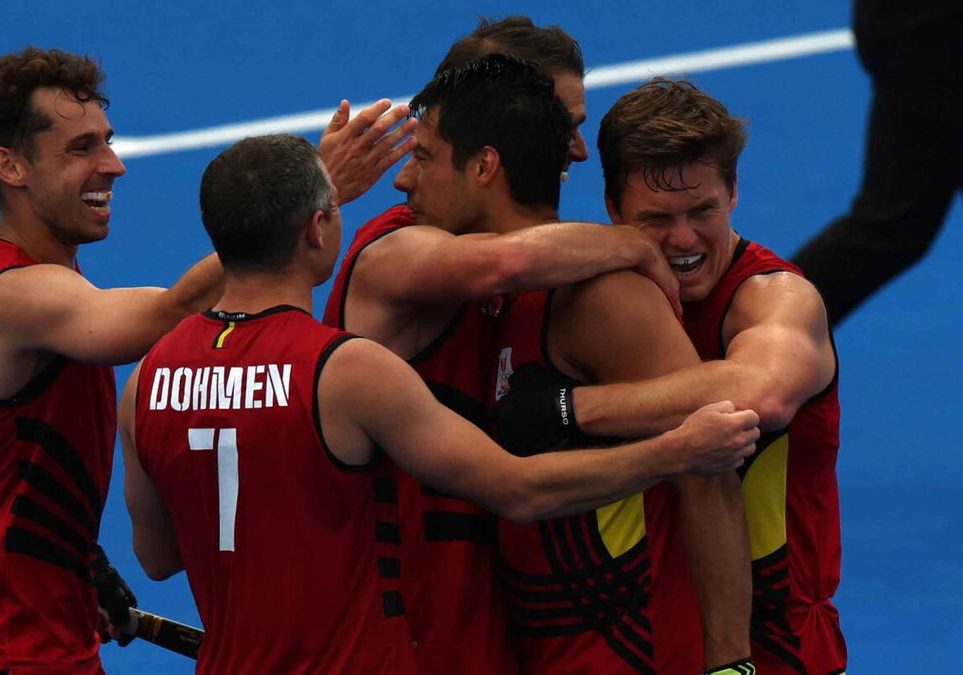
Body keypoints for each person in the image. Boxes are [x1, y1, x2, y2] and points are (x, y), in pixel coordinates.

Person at [118, 132, 759, 674]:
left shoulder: (146, 381)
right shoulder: (344, 369)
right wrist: (676, 450)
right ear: (319, 230)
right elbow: (519, 489)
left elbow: (158, 557)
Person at [319, 22, 686, 673]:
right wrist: (633, 244)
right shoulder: (405, 250)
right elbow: (501, 263)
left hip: (490, 625)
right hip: (407, 634)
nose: (575, 147)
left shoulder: (553, 271)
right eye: (561, 120)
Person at [503, 77, 845, 674]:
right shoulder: (605, 291)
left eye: (702, 211)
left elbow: (758, 394)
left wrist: (567, 408)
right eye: (656, 218)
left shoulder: (777, 299)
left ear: (734, 192)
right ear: (612, 208)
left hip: (781, 647)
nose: (684, 239)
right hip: (652, 637)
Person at [0, 47, 223, 674]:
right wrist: (301, 197)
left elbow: (9, 459)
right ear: (11, 166)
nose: (115, 165)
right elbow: (167, 317)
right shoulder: (19, 295)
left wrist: (76, 557)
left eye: (107, 141)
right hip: (2, 652)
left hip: (26, 635)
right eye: (81, 149)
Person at [792, 0, 962, 326]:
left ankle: (745, 335)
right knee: (892, 227)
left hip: (911, 39)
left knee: (892, 227)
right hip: (934, 42)